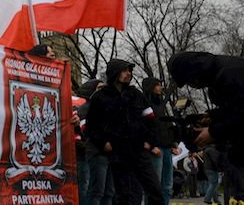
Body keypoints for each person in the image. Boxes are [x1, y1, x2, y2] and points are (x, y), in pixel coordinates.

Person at [84, 59, 164, 205]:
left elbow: (151, 119)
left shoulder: (136, 94)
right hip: (118, 153)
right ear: (115, 72)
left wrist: (150, 142)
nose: (129, 74)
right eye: (125, 70)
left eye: (130, 71)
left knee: (155, 190)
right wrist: (104, 143)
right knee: (125, 194)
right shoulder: (100, 97)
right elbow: (92, 126)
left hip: (139, 151)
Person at [167, 51, 244, 201]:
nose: (194, 87)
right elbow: (233, 109)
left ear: (194, 72)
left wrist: (213, 132)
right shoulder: (219, 75)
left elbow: (241, 113)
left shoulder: (228, 75)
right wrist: (212, 117)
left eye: (189, 81)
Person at [142, 77, 180, 205]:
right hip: (155, 150)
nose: (160, 88)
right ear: (150, 87)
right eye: (157, 85)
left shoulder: (161, 105)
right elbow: (142, 128)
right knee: (154, 185)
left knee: (167, 186)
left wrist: (173, 144)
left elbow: (166, 126)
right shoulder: (144, 104)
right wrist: (151, 146)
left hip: (167, 149)